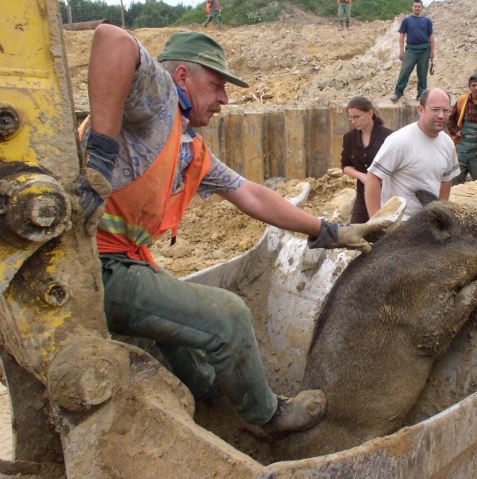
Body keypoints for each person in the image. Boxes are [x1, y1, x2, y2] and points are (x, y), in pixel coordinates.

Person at [78, 25, 390, 435]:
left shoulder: (188, 147)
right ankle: (267, 417)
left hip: (119, 264)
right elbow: (110, 39)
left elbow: (252, 194)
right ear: (182, 77)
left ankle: (209, 393)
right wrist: (100, 152)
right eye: (217, 85)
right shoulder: (156, 102)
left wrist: (328, 230)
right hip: (93, 270)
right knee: (230, 317)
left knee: (178, 324)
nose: (225, 98)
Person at [365, 88, 459, 221]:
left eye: (446, 110)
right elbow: (373, 178)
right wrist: (375, 221)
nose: (441, 115)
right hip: (398, 224)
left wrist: (441, 215)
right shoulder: (400, 141)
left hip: (428, 225)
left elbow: (447, 179)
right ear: (421, 110)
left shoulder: (447, 143)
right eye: (435, 109)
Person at [341, 96, 393, 223]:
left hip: (387, 195)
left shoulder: (389, 137)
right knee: (357, 232)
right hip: (362, 195)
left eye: (356, 117)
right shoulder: (349, 138)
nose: (353, 121)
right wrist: (362, 176)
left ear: (370, 113)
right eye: (351, 117)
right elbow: (345, 166)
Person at [390, 0, 435, 103]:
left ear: (422, 8)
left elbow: (431, 37)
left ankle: (421, 95)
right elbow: (401, 36)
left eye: (419, 6)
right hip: (410, 49)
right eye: (415, 6)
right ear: (412, 7)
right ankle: (398, 92)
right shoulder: (407, 20)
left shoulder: (427, 21)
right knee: (405, 71)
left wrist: (432, 51)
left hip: (424, 49)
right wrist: (401, 51)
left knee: (422, 73)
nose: (417, 8)